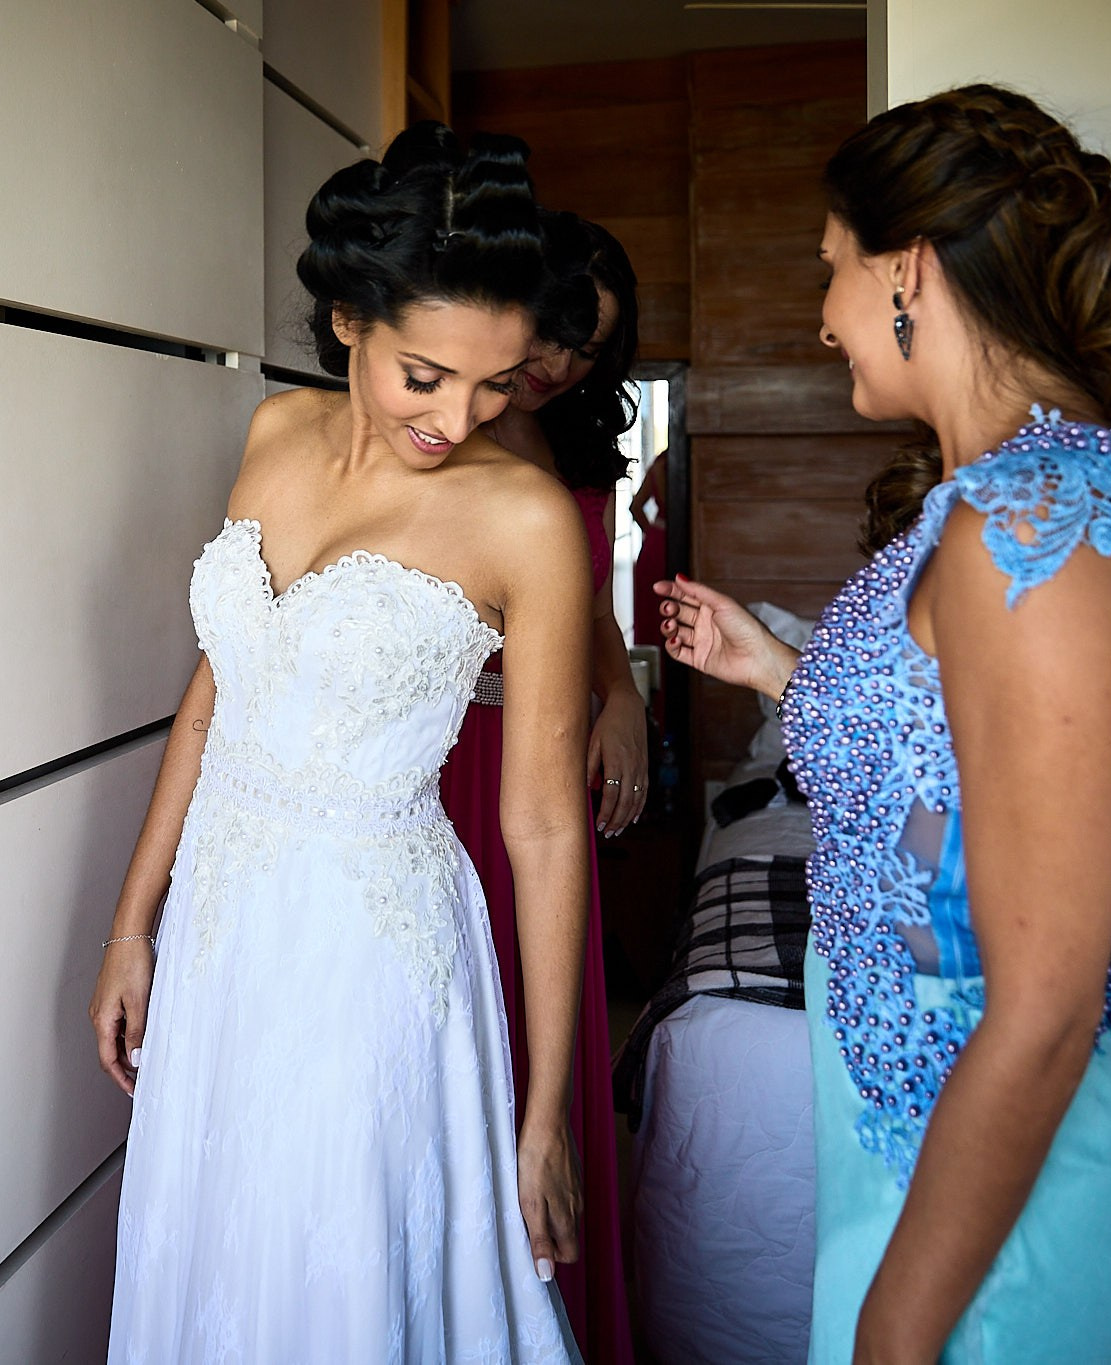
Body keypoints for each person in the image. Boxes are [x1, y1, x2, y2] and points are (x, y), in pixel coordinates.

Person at [656, 85, 1111, 1364]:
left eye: (831, 269)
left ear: (906, 265)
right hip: (909, 1122)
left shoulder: (1033, 530)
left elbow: (1044, 1004)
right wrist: (783, 673)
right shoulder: (1011, 497)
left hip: (998, 1192)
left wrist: (897, 1328)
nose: (821, 316)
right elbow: (961, 768)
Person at [91, 122, 599, 1363]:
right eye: (426, 375)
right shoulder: (271, 438)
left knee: (336, 1273)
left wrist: (543, 1113)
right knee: (221, 1251)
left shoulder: (522, 519)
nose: (458, 415)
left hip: (372, 956)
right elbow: (219, 696)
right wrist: (130, 921)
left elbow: (538, 823)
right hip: (220, 935)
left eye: (494, 383)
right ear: (346, 324)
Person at [438, 209, 640, 1365]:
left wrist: (619, 696)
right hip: (459, 760)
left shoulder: (554, 437)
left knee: (541, 1001)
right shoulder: (451, 428)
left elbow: (582, 612)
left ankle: (551, 1298)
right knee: (475, 1001)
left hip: (541, 758)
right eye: (562, 332)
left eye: (594, 351)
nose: (565, 366)